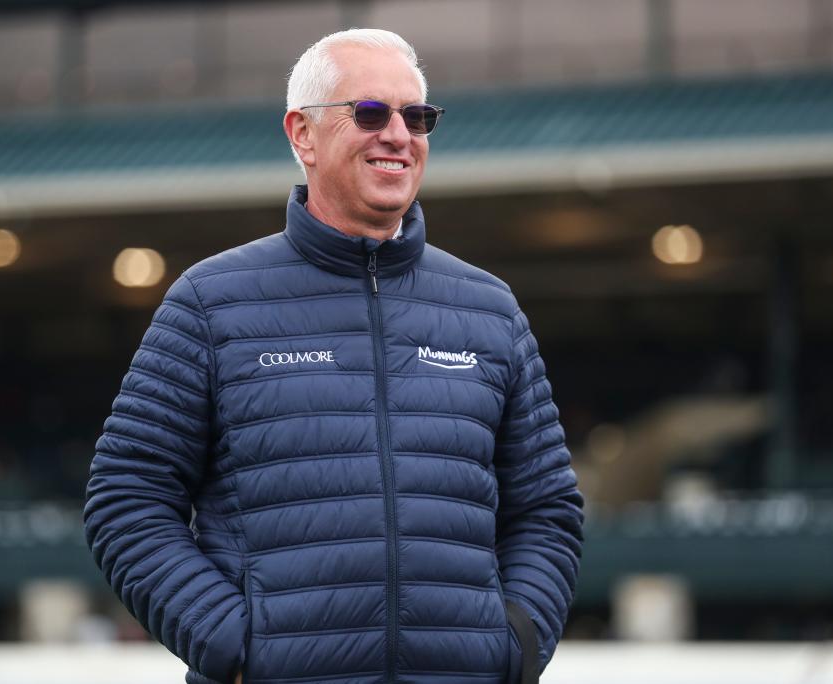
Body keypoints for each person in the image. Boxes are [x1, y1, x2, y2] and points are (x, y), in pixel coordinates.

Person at [84, 28, 584, 684]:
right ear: (303, 135)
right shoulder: (211, 302)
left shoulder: (489, 310)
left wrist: (514, 645)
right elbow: (127, 496)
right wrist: (233, 649)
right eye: (371, 112)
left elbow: (546, 509)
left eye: (418, 116)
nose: (399, 134)